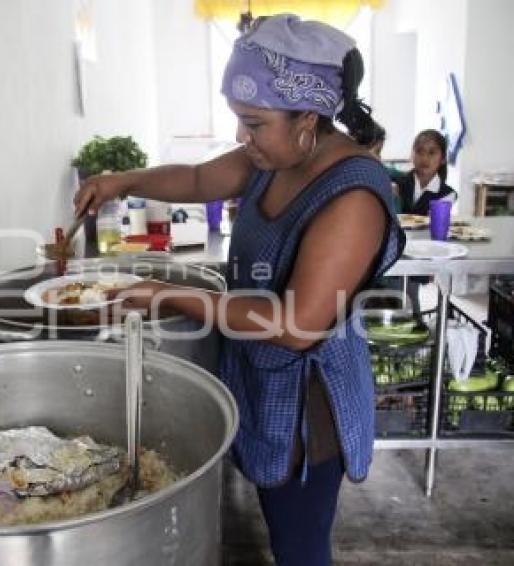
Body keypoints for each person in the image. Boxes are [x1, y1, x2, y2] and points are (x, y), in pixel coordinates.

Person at [73, 14, 405, 566]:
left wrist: (165, 293)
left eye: (253, 123)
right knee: (279, 525)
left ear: (309, 118)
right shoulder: (274, 158)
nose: (240, 137)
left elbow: (297, 326)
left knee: (300, 545)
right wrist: (123, 181)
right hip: (258, 375)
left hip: (307, 404)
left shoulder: (353, 198)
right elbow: (201, 181)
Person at [394, 129, 457, 215]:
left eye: (431, 153)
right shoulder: (397, 183)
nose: (424, 158)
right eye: (419, 151)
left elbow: (436, 224)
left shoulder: (447, 194)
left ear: (443, 159)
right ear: (412, 155)